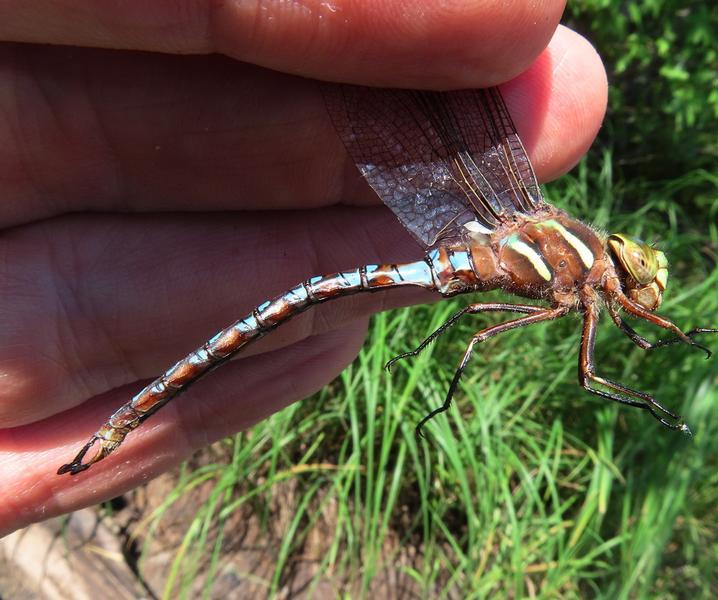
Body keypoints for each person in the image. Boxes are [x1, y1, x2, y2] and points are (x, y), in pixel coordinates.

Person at [0, 1, 607, 535]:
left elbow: (479, 322)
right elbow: (484, 325)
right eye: (629, 270)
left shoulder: (565, 263)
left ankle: (120, 426)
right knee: (307, 299)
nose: (625, 283)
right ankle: (122, 422)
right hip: (460, 247)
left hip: (462, 251)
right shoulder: (569, 264)